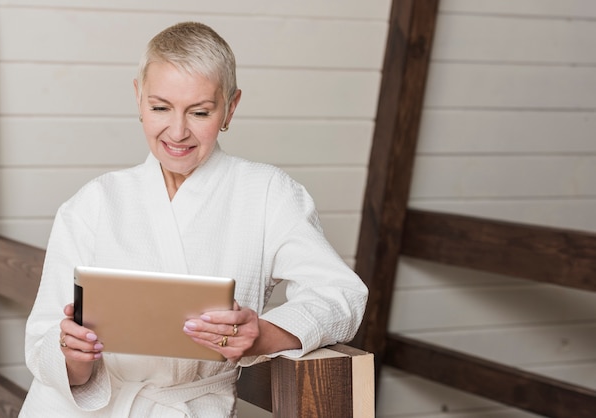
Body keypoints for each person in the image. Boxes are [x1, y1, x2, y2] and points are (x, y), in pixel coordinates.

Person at [19, 21, 368, 417]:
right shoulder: (93, 203)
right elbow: (45, 341)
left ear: (230, 107)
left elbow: (342, 294)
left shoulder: (268, 193)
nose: (178, 130)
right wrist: (74, 355)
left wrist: (263, 336)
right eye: (160, 107)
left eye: (199, 111)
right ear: (138, 98)